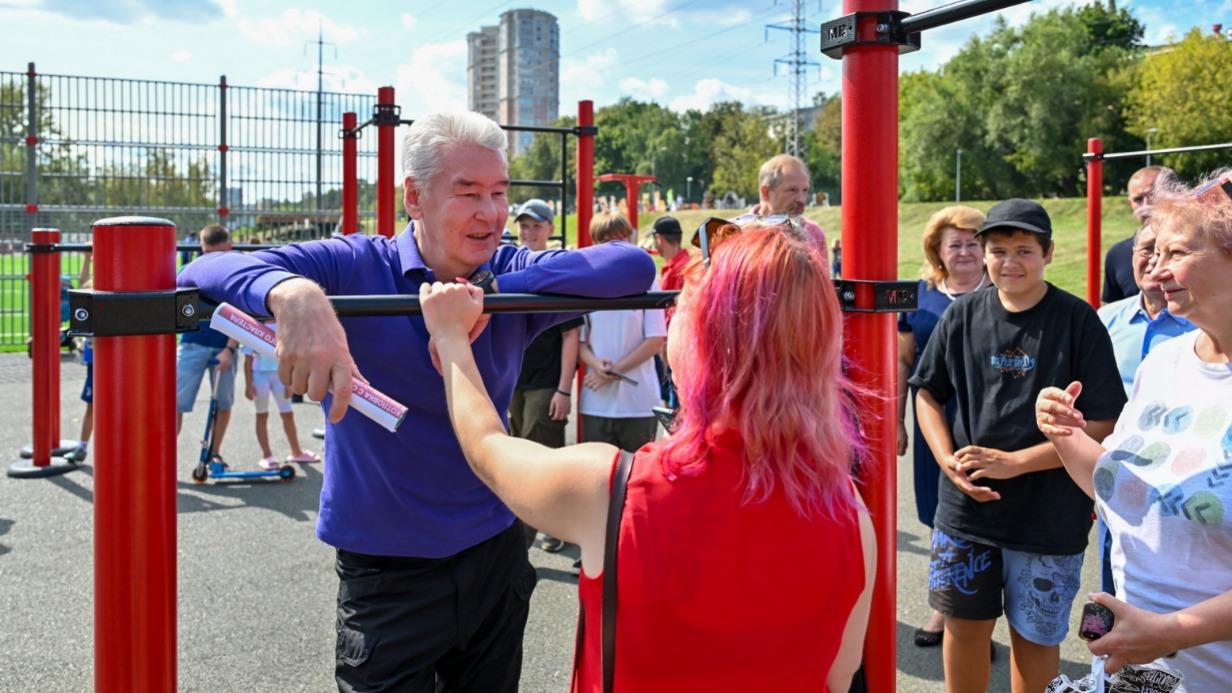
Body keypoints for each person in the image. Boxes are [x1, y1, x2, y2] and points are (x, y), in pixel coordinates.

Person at [177, 110, 656, 692]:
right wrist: (291, 292)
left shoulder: (507, 269)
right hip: (387, 567)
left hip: (493, 550)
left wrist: (483, 296)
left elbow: (632, 264)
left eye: (500, 193)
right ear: (415, 197)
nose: (491, 212)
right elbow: (202, 267)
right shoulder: (358, 265)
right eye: (468, 193)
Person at [419, 222, 875, 692]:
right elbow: (838, 676)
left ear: (706, 340)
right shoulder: (852, 515)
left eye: (683, 308)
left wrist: (452, 339)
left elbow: (487, 448)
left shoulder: (613, 489)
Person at [910, 199, 1127, 693]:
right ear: (984, 255)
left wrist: (1016, 463)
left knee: (1034, 637)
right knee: (963, 630)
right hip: (965, 511)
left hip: (1047, 516)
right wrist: (946, 458)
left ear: (1048, 252)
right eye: (998, 250)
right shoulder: (962, 314)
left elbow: (1104, 421)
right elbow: (927, 392)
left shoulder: (1077, 320)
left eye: (1024, 250)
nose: (1010, 262)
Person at [1036, 169, 1232, 691]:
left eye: (1178, 253)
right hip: (1137, 671)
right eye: (1155, 252)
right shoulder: (1164, 362)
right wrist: (1063, 433)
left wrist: (1170, 631)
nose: (1154, 269)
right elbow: (1118, 489)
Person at [895, 205, 988, 648]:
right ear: (937, 250)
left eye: (974, 242)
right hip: (934, 424)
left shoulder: (1004, 291)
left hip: (990, 427)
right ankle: (944, 607)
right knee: (940, 517)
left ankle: (975, 618)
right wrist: (897, 421)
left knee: (983, 517)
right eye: (956, 244)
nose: (966, 251)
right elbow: (901, 362)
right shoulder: (920, 295)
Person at [1092, 204, 1197, 594]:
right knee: (1112, 577)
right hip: (1114, 477)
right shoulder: (1103, 321)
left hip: (1184, 486)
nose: (1155, 261)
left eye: (1168, 252)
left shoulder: (1204, 327)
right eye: (1147, 250)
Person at [510, 198, 583, 553]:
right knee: (523, 453)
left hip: (544, 382)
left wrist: (563, 389)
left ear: (551, 230)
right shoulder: (509, 266)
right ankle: (544, 527)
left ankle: (528, 537)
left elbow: (571, 334)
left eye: (536, 226)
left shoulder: (556, 272)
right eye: (524, 225)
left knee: (538, 457)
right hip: (515, 381)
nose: (528, 232)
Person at [577, 212, 667, 454]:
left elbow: (655, 340)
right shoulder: (585, 286)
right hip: (596, 401)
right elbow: (579, 342)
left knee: (637, 480)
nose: (613, 247)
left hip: (637, 402)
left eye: (620, 239)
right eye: (605, 240)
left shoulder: (647, 283)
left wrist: (611, 371)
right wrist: (599, 365)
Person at [175, 224, 239, 463]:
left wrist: (230, 349)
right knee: (176, 403)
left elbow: (241, 313)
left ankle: (214, 452)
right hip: (193, 343)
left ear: (229, 249)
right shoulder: (190, 270)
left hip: (223, 346)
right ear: (202, 249)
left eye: (219, 255)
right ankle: (165, 457)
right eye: (208, 255)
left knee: (223, 403)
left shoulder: (233, 273)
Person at [240, 330, 320, 470]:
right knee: (262, 414)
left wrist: (289, 383)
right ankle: (267, 455)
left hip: (279, 375)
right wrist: (248, 384)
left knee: (287, 413)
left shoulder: (282, 326)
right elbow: (248, 359)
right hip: (259, 375)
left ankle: (296, 451)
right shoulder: (252, 326)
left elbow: (289, 356)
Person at [1103, 166, 1164, 304]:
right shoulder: (1117, 254)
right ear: (1130, 203)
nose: (1146, 205)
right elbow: (1115, 311)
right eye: (1138, 199)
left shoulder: (1200, 247)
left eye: (1153, 196)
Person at [750, 154, 828, 252]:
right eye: (792, 190)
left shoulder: (814, 234)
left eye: (805, 190)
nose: (802, 200)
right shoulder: (734, 232)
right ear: (766, 192)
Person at [651, 215, 689, 408]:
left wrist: (666, 345)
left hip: (674, 348)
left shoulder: (677, 269)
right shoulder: (685, 263)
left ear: (659, 238)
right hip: (678, 346)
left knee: (674, 408)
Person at [65, 251, 94, 464]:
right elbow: (84, 283)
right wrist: (86, 258)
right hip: (96, 358)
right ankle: (82, 446)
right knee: (92, 404)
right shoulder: (95, 285)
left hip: (113, 358)